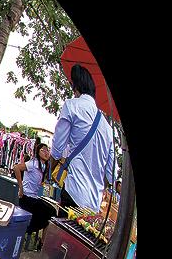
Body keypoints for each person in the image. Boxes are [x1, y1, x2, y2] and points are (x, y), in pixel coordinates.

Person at [50, 64, 116, 212]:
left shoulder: (72, 106)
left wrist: (51, 170)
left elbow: (57, 149)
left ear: (76, 87)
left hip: (74, 192)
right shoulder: (108, 127)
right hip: (95, 202)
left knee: (63, 234)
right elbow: (112, 175)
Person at [13, 141, 56, 248]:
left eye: (47, 151)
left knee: (51, 214)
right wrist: (21, 187)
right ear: (38, 152)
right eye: (43, 150)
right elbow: (17, 168)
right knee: (50, 212)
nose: (46, 153)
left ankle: (41, 242)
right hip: (26, 198)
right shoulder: (33, 163)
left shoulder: (43, 166)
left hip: (33, 198)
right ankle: (27, 230)